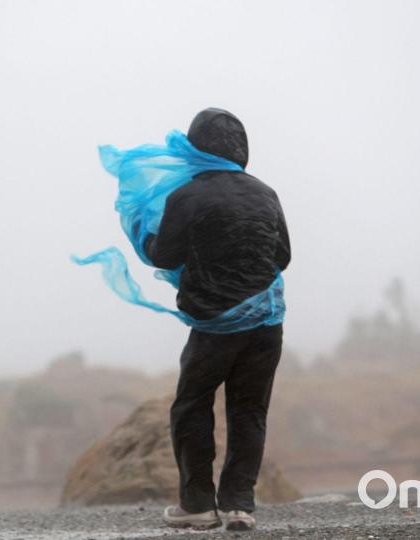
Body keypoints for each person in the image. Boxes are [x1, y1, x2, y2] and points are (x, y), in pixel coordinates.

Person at [148, 109, 291, 531]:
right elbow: (283, 256)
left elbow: (164, 255)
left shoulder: (187, 196)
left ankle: (197, 505)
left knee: (192, 406)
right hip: (267, 323)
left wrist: (146, 233)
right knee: (249, 410)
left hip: (215, 327)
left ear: (195, 147)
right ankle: (238, 506)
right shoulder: (266, 193)